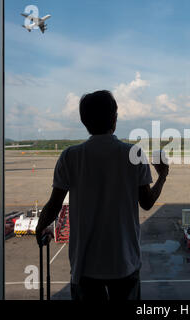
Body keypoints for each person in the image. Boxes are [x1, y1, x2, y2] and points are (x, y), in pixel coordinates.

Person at [35, 90, 169, 300]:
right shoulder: (134, 154)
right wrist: (162, 176)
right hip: (124, 262)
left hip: (85, 266)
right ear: (114, 118)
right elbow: (147, 203)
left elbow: (54, 205)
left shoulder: (70, 156)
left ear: (84, 121)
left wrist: (40, 226)